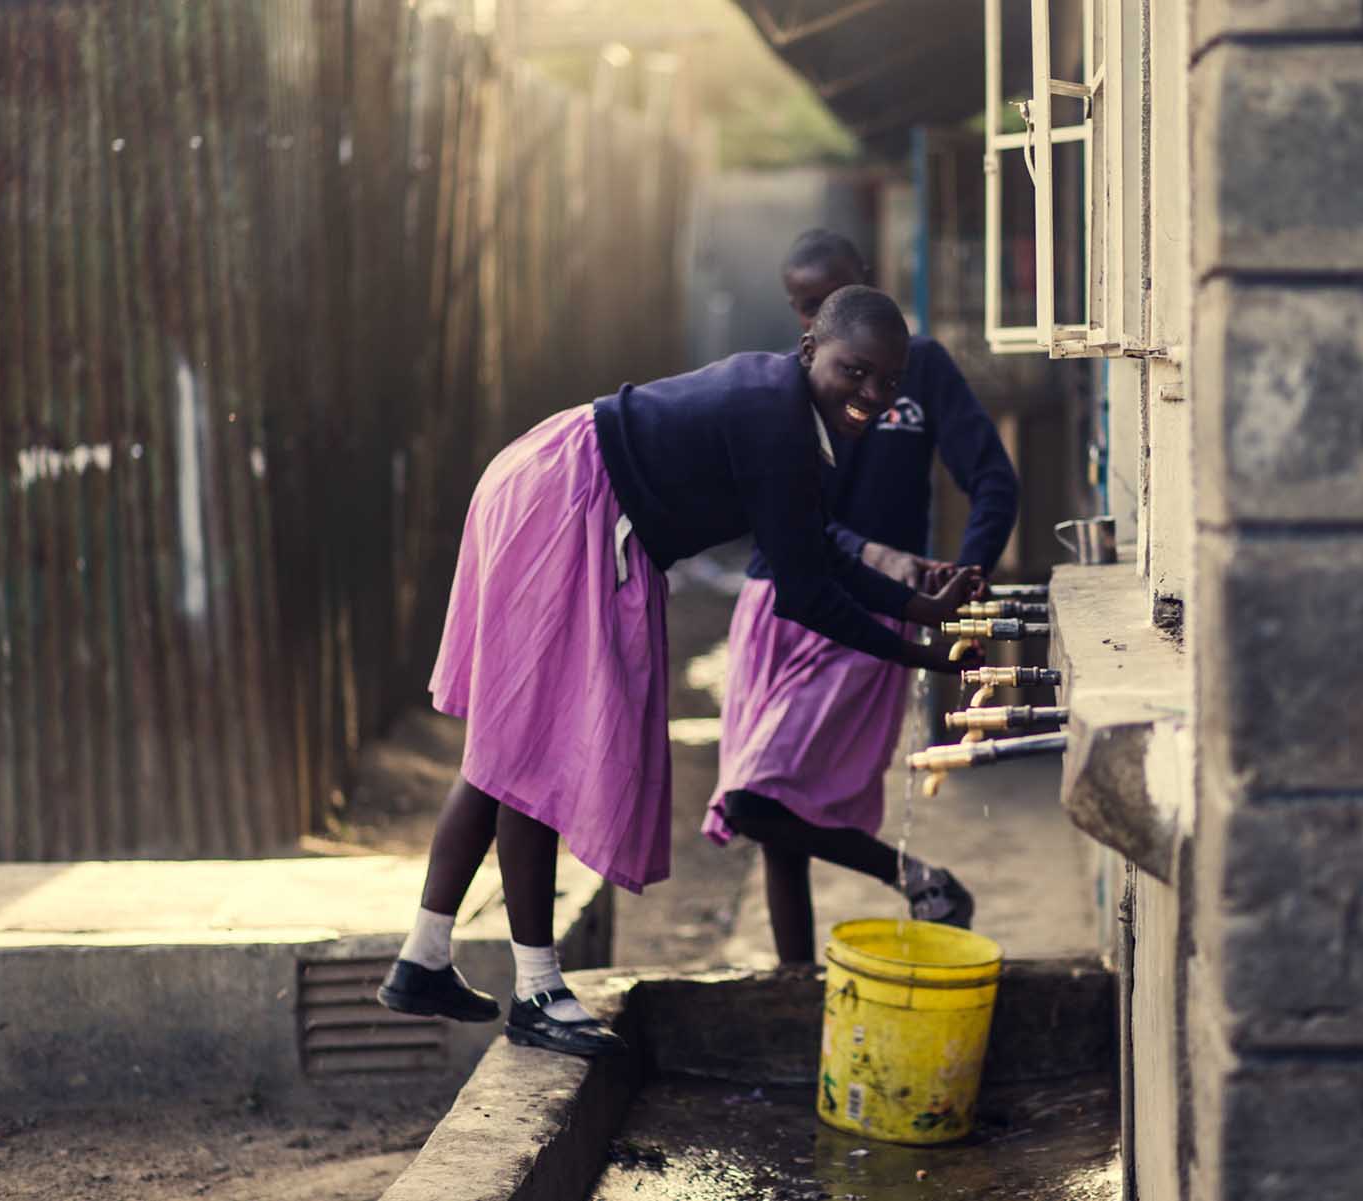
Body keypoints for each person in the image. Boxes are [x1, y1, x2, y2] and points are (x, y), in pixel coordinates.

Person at [376, 286, 982, 1057]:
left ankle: (424, 957)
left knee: (507, 743)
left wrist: (919, 612)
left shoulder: (788, 414)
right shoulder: (776, 419)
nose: (871, 393)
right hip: (569, 498)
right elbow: (804, 594)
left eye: (888, 381)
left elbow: (813, 551)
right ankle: (537, 990)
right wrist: (919, 651)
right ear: (810, 353)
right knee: (531, 751)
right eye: (855, 370)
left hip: (552, 479)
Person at [703, 230, 1019, 964]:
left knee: (765, 798)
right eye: (803, 307)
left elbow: (994, 480)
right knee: (772, 816)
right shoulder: (788, 386)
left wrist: (964, 576)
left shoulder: (924, 371)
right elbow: (794, 525)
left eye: (832, 299)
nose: (816, 320)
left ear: (867, 288)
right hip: (775, 601)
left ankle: (919, 877)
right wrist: (892, 558)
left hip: (870, 613)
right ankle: (797, 984)